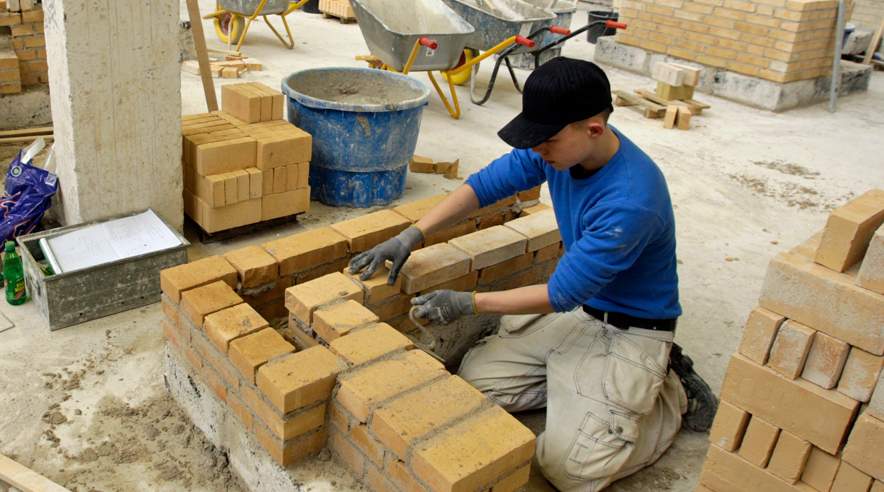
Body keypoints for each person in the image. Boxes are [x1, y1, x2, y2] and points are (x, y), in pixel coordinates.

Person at [348, 57, 717, 491]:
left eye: (546, 142)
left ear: (593, 128)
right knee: (474, 385)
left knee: (568, 470)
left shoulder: (631, 200)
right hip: (585, 313)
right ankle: (588, 392)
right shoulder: (561, 148)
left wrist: (466, 303)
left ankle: (668, 393)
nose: (537, 150)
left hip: (634, 328)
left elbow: (561, 293)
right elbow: (486, 185)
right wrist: (412, 234)